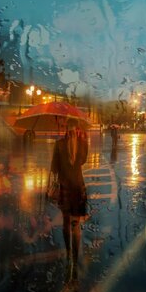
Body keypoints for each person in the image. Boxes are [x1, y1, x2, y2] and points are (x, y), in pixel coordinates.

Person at [50, 119, 89, 281]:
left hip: (71, 185)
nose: (70, 129)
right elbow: (56, 167)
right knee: (71, 222)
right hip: (71, 185)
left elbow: (56, 168)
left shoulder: (69, 143)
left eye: (71, 126)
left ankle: (71, 254)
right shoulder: (70, 144)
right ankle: (71, 256)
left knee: (71, 222)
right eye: (70, 127)